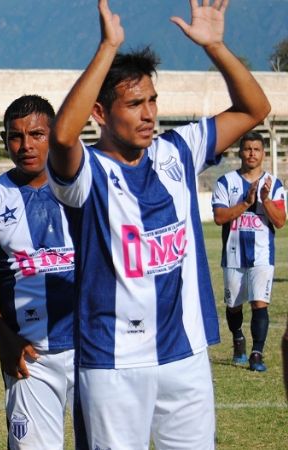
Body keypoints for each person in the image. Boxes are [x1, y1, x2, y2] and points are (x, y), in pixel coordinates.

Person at [47, 0, 271, 448]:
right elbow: (61, 136)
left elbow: (254, 109)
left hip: (184, 355)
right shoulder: (86, 171)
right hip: (113, 362)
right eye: (133, 104)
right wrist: (108, 48)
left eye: (152, 100)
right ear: (100, 113)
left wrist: (217, 47)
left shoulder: (177, 149)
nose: (149, 114)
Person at [0, 95, 75, 449]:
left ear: (54, 135)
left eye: (37, 134)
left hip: (93, 350)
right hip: (30, 357)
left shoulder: (83, 189)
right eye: (15, 136)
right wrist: (5, 338)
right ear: (5, 141)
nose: (26, 145)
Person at [212, 131, 285, 372]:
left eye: (256, 149)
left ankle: (257, 354)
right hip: (233, 255)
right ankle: (238, 339)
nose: (252, 153)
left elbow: (280, 221)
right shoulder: (226, 182)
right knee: (233, 305)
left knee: (259, 304)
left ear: (263, 153)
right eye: (247, 149)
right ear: (240, 152)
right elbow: (219, 218)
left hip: (262, 255)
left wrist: (265, 200)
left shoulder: (274, 184)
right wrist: (245, 203)